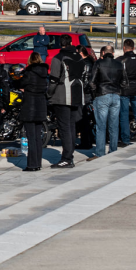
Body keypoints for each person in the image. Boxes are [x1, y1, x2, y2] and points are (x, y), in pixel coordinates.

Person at [48, 35, 84, 169]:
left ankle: (67, 158)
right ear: (70, 43)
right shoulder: (79, 57)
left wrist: (49, 94)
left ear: (60, 44)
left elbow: (53, 80)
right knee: (71, 126)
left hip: (63, 97)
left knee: (64, 128)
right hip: (77, 95)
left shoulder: (58, 58)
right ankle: (70, 156)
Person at [14, 52, 50, 171]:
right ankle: (38, 163)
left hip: (29, 106)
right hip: (40, 106)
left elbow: (19, 83)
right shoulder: (44, 74)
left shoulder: (29, 73)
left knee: (31, 137)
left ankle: (32, 164)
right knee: (38, 137)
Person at [88, 45, 122, 159]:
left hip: (102, 94)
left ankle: (100, 152)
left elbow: (92, 82)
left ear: (103, 53)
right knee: (114, 125)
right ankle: (113, 150)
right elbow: (125, 82)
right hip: (116, 95)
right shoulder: (119, 64)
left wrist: (95, 94)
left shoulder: (98, 63)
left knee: (101, 126)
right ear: (113, 53)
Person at [118, 39, 136, 145]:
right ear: (133, 48)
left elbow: (118, 75)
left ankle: (125, 139)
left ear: (124, 48)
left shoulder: (121, 60)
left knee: (124, 115)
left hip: (124, 90)